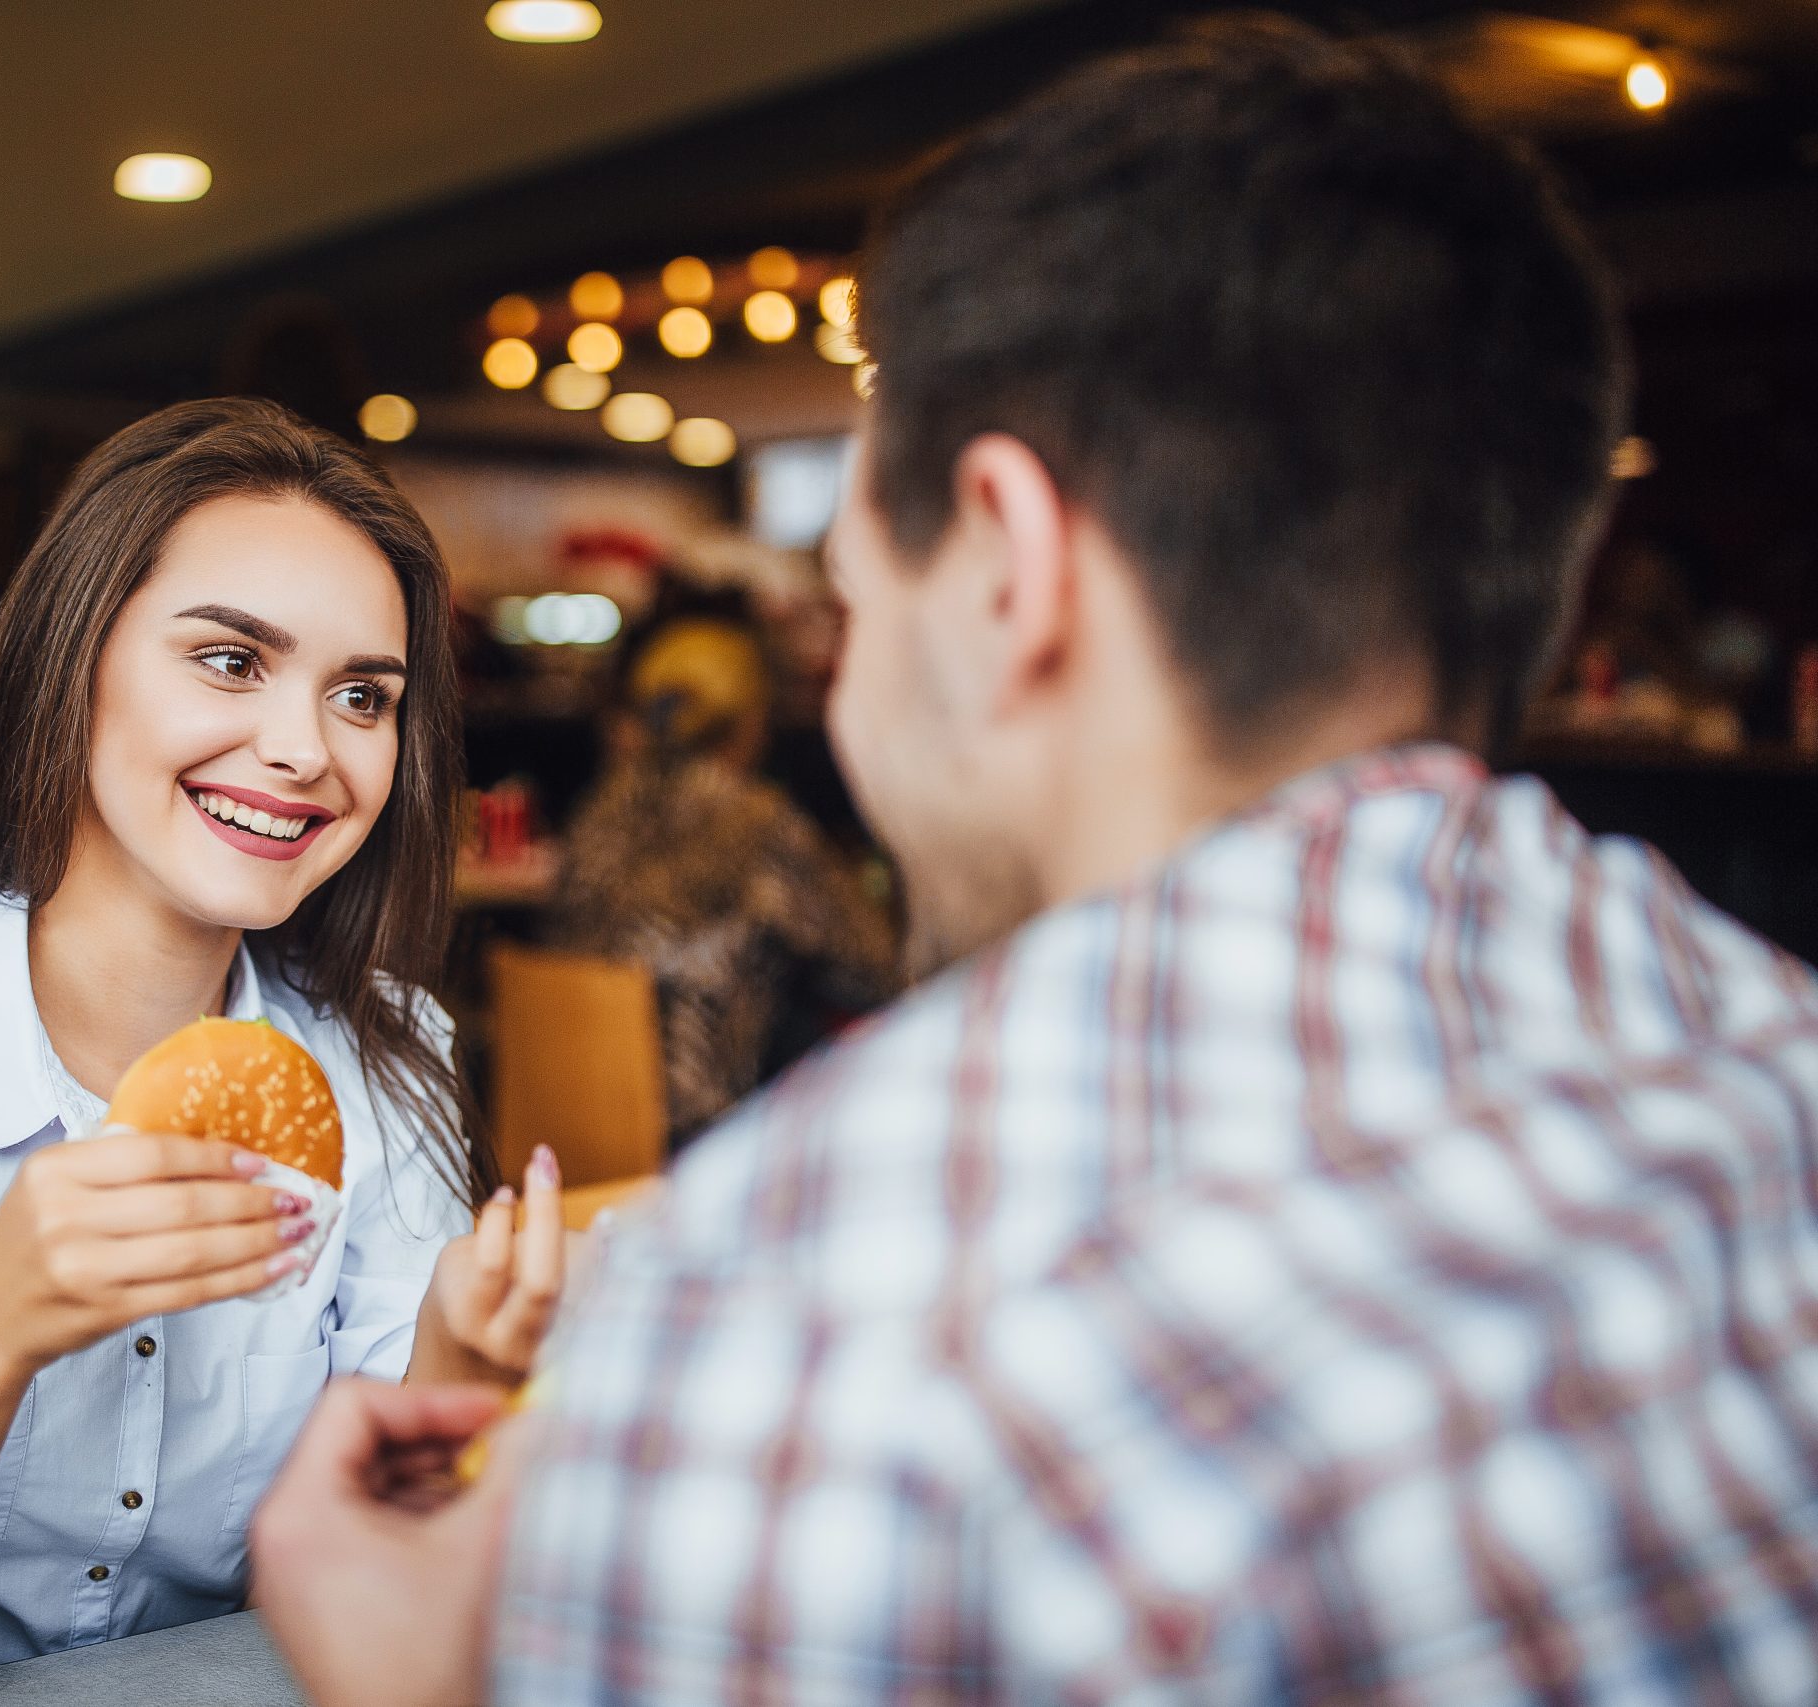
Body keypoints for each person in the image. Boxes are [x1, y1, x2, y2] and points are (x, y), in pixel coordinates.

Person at [250, 21, 1818, 1705]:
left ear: (1009, 563)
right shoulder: (1765, 1048)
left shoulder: (809, 1310)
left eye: (857, 595)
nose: (843, 693)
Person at [0, 399, 566, 1685]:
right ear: (74, 659)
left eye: (361, 695)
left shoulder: (384, 1047)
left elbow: (385, 1573)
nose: (303, 750)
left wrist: (460, 1360)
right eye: (231, 661)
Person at [548, 603, 896, 1144]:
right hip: (692, 1123)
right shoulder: (758, 821)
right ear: (750, 718)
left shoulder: (601, 807)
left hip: (563, 1118)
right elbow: (873, 965)